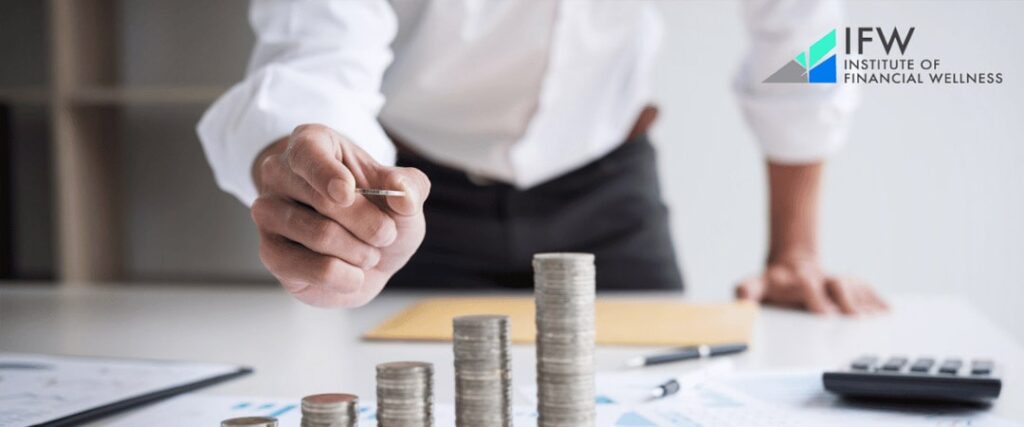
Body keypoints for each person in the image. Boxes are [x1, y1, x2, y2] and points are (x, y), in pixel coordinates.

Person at [197, 0, 888, 314]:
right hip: (408, 200)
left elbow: (805, 36)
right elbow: (319, 50)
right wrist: (315, 170)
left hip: (610, 195)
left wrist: (795, 251)